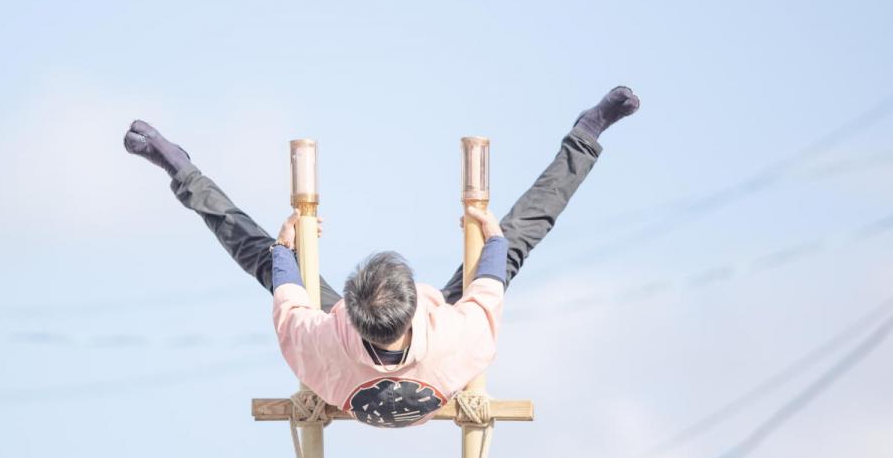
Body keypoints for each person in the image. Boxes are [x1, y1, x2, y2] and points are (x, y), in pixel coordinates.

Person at [123, 87, 639, 427]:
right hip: (431, 372)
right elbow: (488, 286)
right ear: (419, 303)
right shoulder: (459, 334)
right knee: (521, 234)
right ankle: (585, 137)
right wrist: (494, 238)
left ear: (345, 306)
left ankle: (182, 171)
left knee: (261, 257)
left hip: (351, 378)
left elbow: (284, 293)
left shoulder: (321, 337)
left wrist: (285, 247)